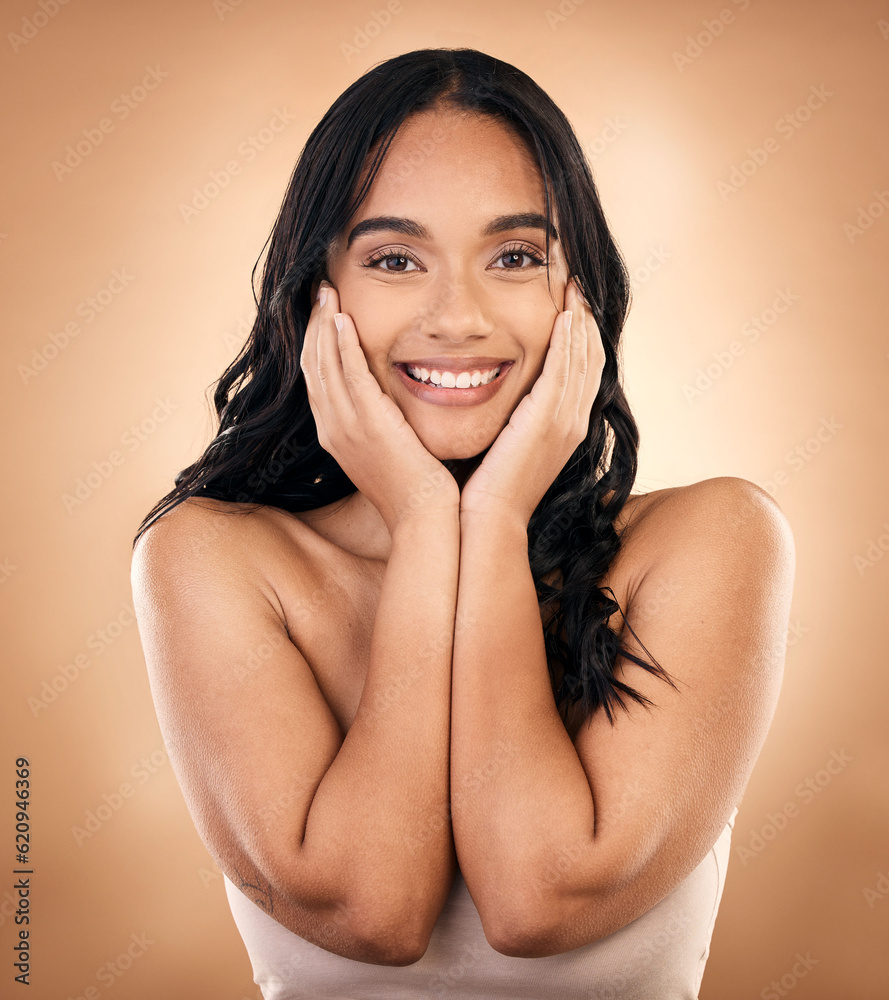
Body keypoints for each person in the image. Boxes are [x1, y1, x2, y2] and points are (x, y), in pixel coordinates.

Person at [130, 47, 795, 999]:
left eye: (515, 257)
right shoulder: (211, 560)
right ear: (319, 295)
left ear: (581, 293)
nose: (457, 317)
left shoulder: (713, 542)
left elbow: (537, 900)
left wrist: (487, 518)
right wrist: (423, 520)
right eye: (395, 259)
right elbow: (374, 912)